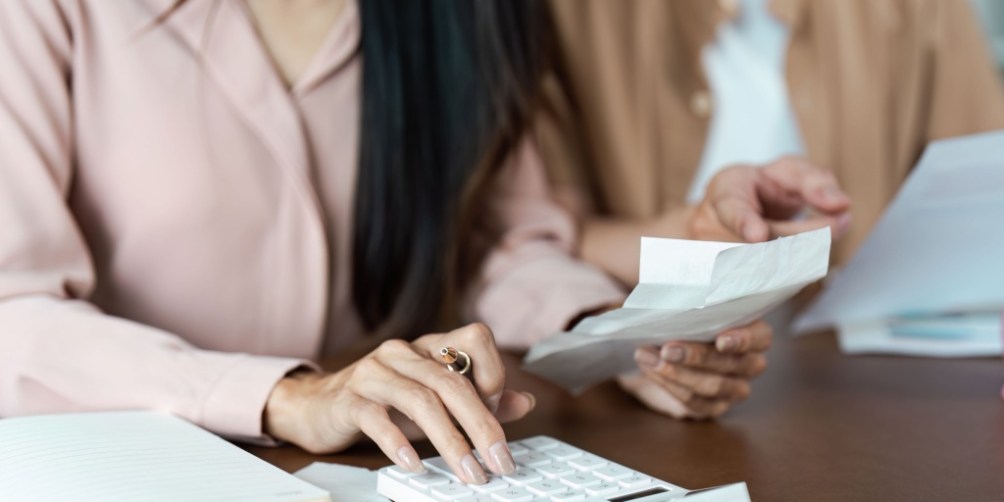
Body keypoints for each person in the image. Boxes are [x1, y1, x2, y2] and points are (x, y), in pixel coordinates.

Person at [0, 0, 775, 485]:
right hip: (123, 465)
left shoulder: (463, 16)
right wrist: (291, 397)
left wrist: (612, 338)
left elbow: (497, 238)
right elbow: (13, 313)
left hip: (354, 467)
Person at [537, 0, 1004, 286]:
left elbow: (983, 195)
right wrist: (693, 238)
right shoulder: (564, 16)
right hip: (645, 357)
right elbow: (537, 237)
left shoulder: (924, 9)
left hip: (856, 375)